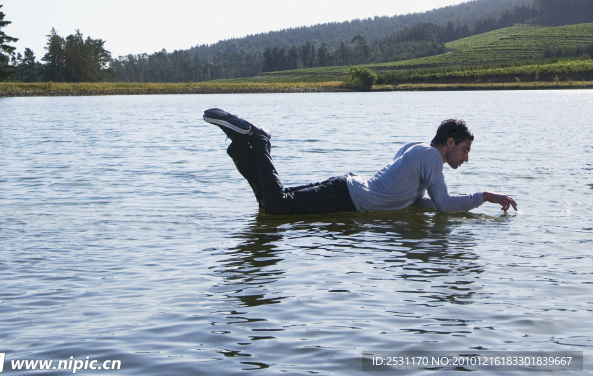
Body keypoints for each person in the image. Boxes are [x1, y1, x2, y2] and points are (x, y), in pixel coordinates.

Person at [203, 108, 517, 216]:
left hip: (348, 188)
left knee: (267, 204)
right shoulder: (431, 158)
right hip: (349, 196)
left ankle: (241, 142)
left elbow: (422, 202)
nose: (465, 157)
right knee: (277, 206)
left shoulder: (419, 151)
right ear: (449, 143)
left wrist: (469, 205)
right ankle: (258, 140)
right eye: (464, 149)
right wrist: (486, 197)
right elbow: (445, 205)